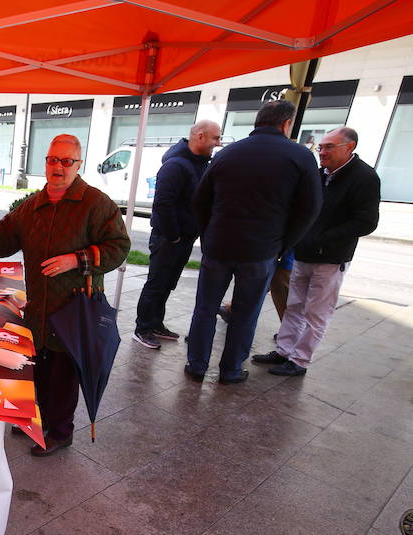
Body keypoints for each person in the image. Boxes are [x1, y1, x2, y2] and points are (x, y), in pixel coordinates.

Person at [0, 134, 130, 456]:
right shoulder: (33, 205)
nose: (58, 167)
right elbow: (4, 243)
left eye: (66, 161)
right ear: (45, 162)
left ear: (78, 165)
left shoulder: (96, 204)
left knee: (63, 373)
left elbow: (119, 247)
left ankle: (61, 432)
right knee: (39, 366)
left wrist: (77, 259)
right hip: (39, 307)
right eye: (52, 160)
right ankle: (39, 418)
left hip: (73, 307)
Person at [186, 100, 321, 384]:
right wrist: (283, 244)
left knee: (205, 308)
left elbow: (200, 201)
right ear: (286, 124)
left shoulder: (227, 154)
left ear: (257, 122)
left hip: (219, 246)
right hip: (261, 249)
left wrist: (208, 234)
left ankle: (197, 365)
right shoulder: (299, 156)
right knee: (245, 313)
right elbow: (310, 209)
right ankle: (231, 369)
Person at [252, 126, 380, 376]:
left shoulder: (364, 177)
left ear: (349, 147)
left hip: (331, 258)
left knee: (316, 312)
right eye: (321, 147)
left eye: (329, 147)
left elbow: (366, 222)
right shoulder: (320, 174)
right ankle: (283, 351)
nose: (322, 152)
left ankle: (299, 360)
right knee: (294, 305)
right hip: (303, 252)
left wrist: (323, 239)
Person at [132, 120, 221, 349]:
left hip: (184, 237)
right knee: (156, 283)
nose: (217, 143)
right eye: (215, 138)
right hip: (169, 238)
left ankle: (155, 323)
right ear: (200, 136)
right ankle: (142, 328)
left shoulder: (200, 164)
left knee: (167, 283)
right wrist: (173, 236)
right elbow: (163, 204)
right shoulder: (176, 166)